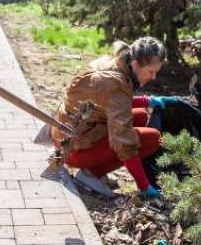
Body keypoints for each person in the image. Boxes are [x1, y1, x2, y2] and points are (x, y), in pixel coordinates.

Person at [51, 37, 169, 199]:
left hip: (67, 136)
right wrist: (144, 186)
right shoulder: (115, 84)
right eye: (151, 72)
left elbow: (109, 100)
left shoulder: (113, 63)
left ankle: (96, 168)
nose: (153, 77)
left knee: (140, 115)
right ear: (135, 64)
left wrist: (147, 101)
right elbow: (122, 141)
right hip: (72, 150)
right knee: (153, 138)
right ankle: (91, 174)